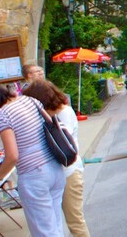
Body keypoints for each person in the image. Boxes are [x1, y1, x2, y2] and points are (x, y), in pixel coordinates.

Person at [0, 81, 66, 236]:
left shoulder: (3, 115)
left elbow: (12, 155)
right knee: (55, 227)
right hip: (54, 167)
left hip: (34, 175)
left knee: (45, 232)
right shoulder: (30, 100)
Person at [22, 80, 90, 237]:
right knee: (59, 223)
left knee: (75, 221)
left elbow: (60, 145)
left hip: (69, 172)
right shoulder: (55, 113)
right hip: (63, 172)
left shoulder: (62, 113)